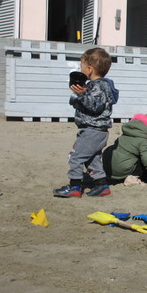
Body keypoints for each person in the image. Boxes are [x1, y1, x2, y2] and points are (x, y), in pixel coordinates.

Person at [53, 48, 119, 198]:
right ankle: (101, 185)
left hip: (92, 130)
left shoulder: (98, 86)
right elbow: (90, 105)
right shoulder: (97, 86)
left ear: (90, 69)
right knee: (92, 158)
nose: (80, 69)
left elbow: (96, 106)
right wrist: (78, 97)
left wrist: (82, 95)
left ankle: (75, 186)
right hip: (95, 130)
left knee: (75, 157)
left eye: (81, 66)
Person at [103, 111, 147, 185]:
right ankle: (132, 177)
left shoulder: (128, 132)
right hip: (122, 169)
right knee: (144, 160)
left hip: (108, 168)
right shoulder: (144, 140)